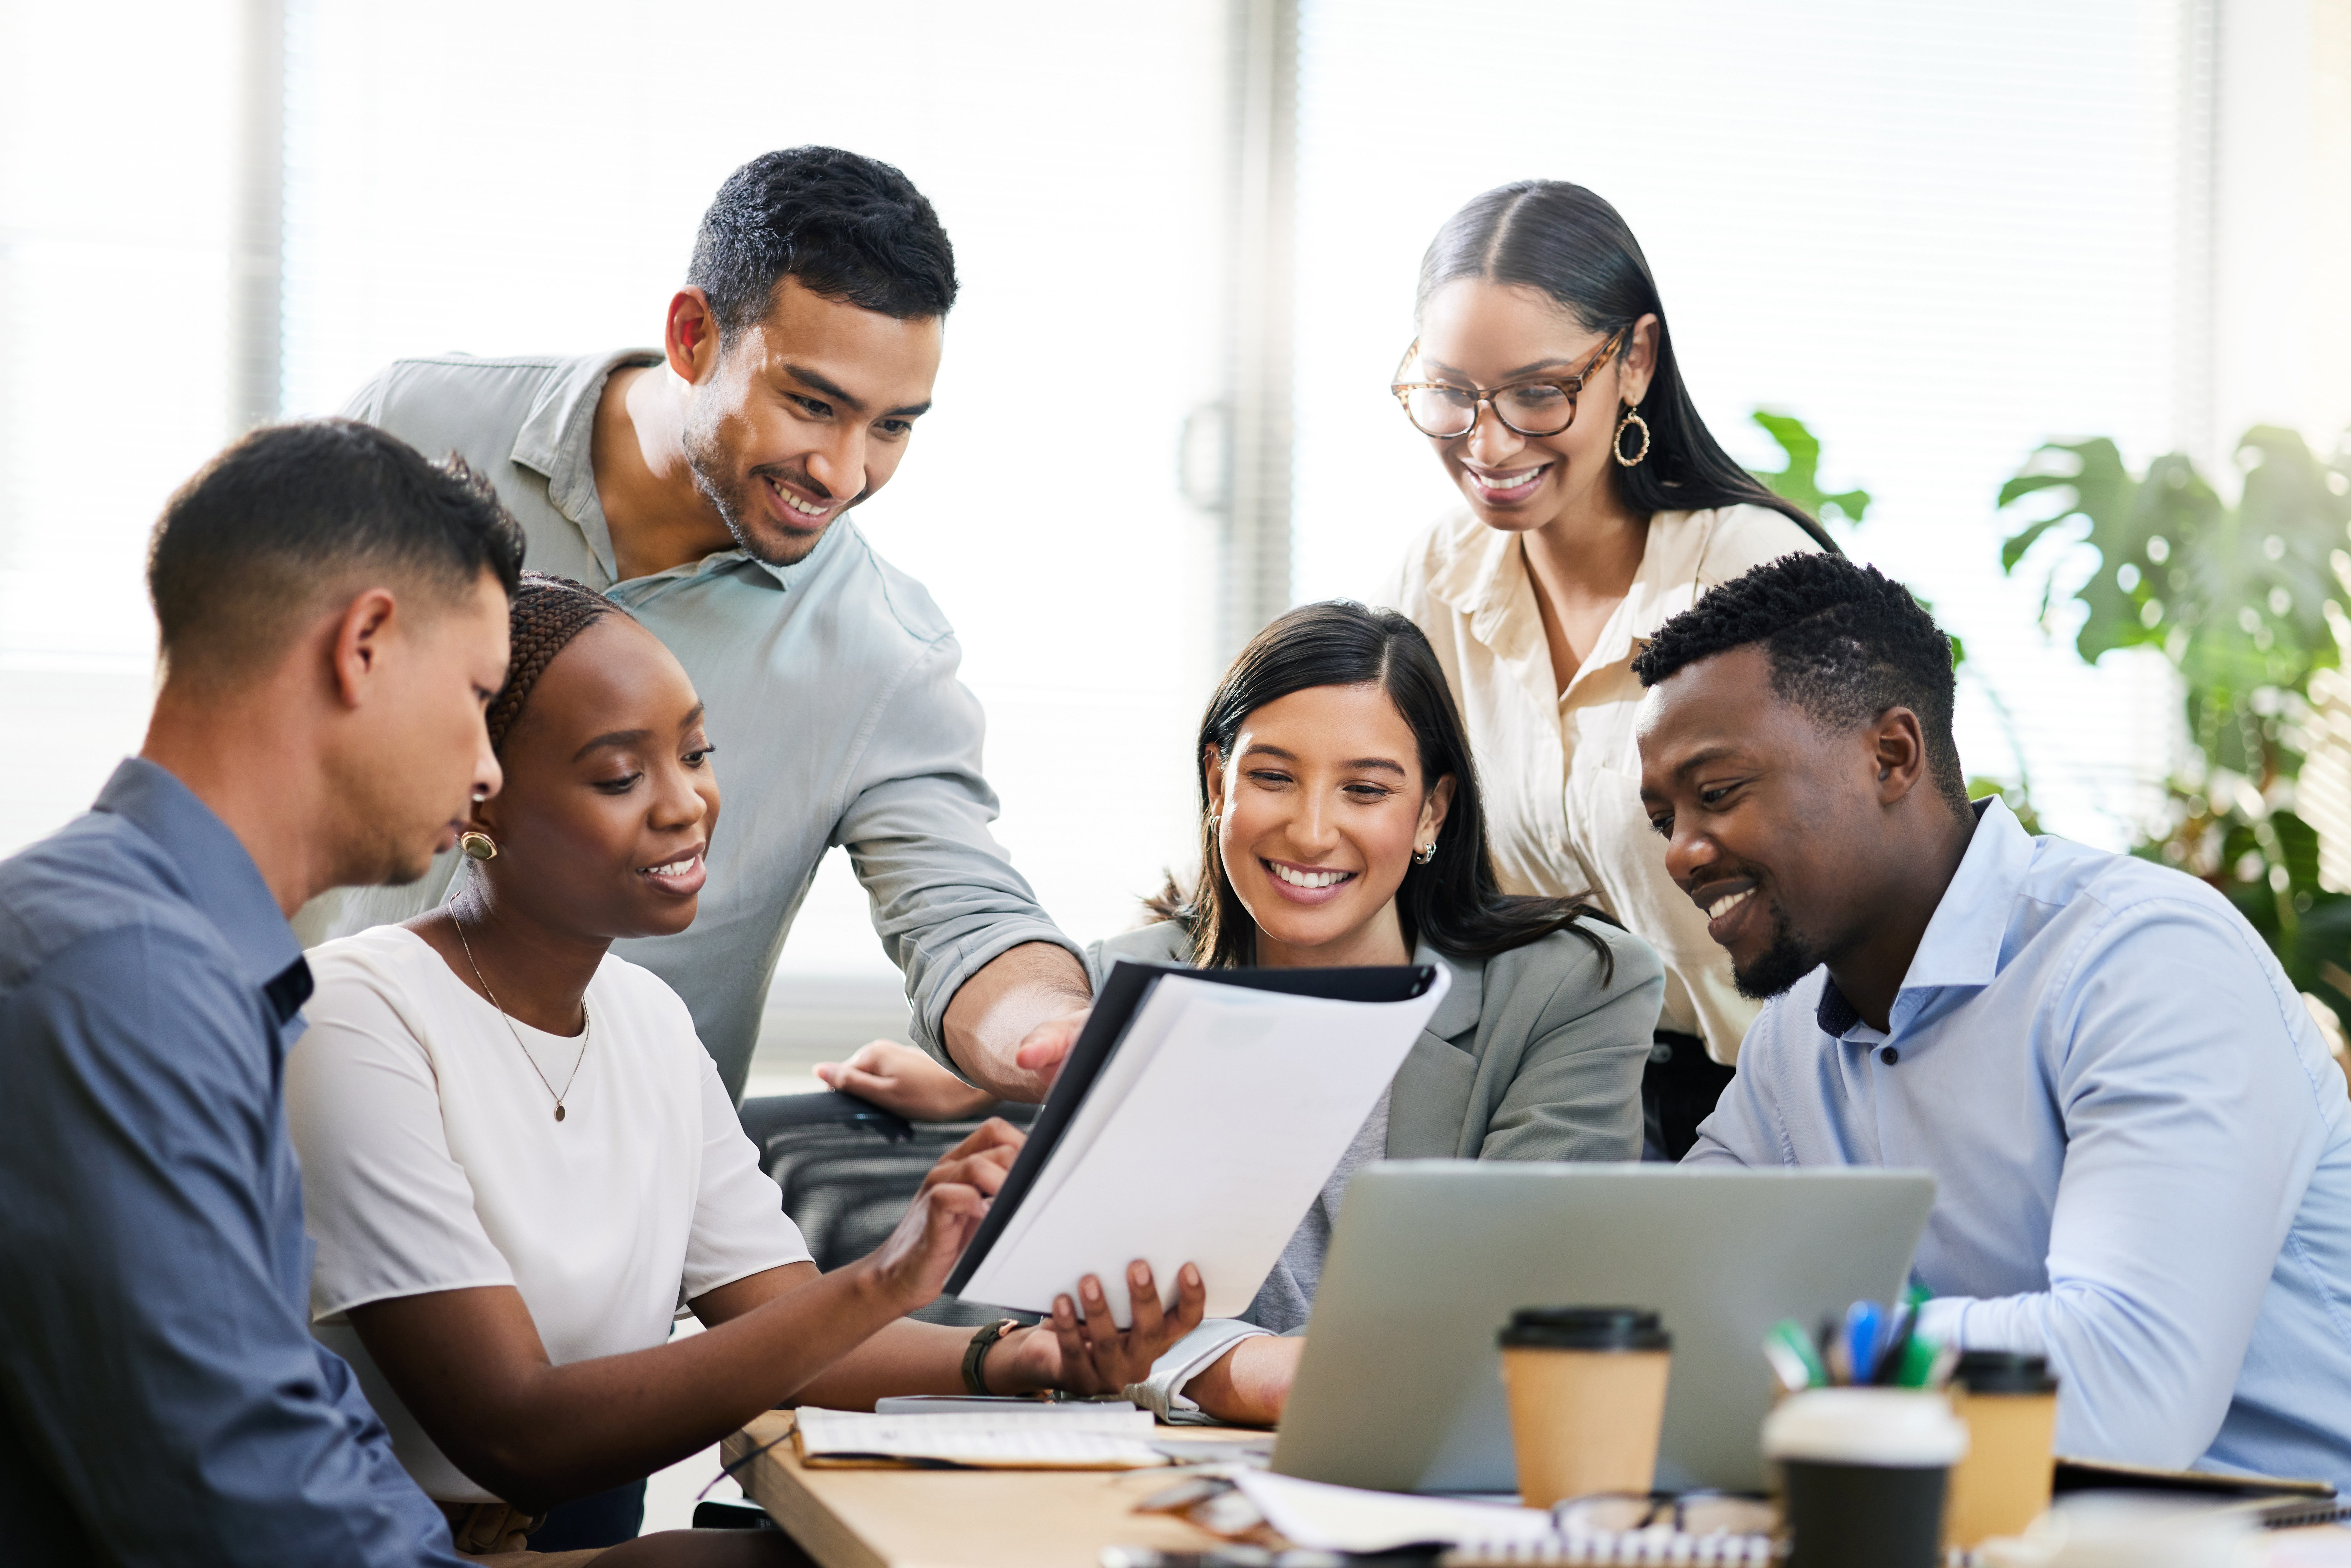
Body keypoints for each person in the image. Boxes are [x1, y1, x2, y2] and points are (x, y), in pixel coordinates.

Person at [286, 574, 1203, 1549]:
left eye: (697, 753)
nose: (687, 806)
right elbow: (518, 1433)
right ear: (479, 802)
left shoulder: (648, 1022)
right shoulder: (355, 1014)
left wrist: (1021, 1355)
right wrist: (885, 1278)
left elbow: (785, 1336)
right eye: (618, 776)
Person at [0, 421, 774, 1565]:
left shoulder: (185, 959)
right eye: (475, 695)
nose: (484, 770)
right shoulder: (129, 982)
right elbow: (245, 1508)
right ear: (363, 646)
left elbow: (296, 1425)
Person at [298, 146, 1085, 1103]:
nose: (843, 473)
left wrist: (1056, 1033)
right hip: (297, 1120)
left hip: (597, 1211)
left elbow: (966, 916)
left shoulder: (885, 657)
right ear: (693, 335)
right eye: (812, 404)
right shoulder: (412, 425)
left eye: (892, 427)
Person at [827, 602, 1663, 1426]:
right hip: (1157, 1465)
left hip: (1429, 1455)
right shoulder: (1127, 982)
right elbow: (1084, 1315)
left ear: (1432, 812)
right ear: (1219, 779)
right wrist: (1228, 1371)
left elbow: (1523, 1297)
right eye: (1272, 777)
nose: (1310, 831)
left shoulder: (1576, 988)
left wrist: (1240, 1372)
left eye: (1365, 790)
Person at [1634, 551, 2351, 1487]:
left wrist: (1817, 1349)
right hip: (1984, 1528)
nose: (1682, 855)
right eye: (1663, 819)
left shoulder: (2142, 961)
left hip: (2270, 1535)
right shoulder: (1792, 1043)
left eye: (1718, 793)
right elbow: (1674, 1300)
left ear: (1892, 756)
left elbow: (2127, 1388)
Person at [1378, 180, 1837, 1158]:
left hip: (1781, 1098)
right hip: (1563, 1097)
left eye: (1539, 393)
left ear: (1634, 361)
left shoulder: (1742, 572)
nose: (1488, 443)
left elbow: (1851, 895)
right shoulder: (1438, 575)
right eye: (1452, 393)